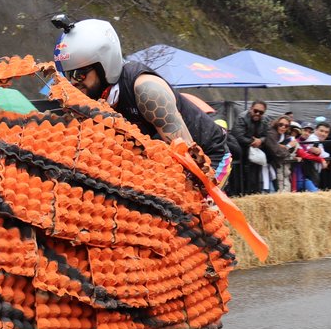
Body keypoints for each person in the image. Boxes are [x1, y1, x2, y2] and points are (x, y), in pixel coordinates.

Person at [51, 16, 231, 186]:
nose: (74, 82)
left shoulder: (147, 90)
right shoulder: (94, 98)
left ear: (104, 65)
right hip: (166, 162)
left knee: (190, 209)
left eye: (80, 74)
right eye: (69, 75)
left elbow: (188, 157)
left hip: (209, 157)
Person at [232, 101, 272, 195]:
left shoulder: (265, 120)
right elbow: (238, 135)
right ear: (251, 109)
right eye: (256, 110)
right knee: (241, 176)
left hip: (255, 152)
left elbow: (267, 135)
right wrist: (253, 142)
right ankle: (241, 193)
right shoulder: (242, 117)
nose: (257, 113)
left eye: (261, 112)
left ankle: (254, 192)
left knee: (255, 176)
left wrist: (260, 141)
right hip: (241, 152)